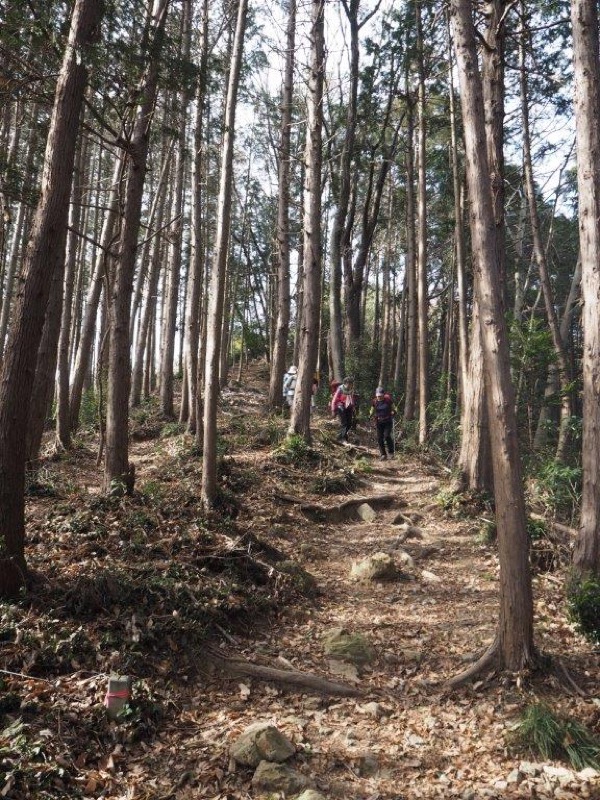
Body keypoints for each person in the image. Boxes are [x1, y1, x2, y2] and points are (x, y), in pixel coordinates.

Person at [369, 385, 395, 460]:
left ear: (383, 395)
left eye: (380, 396)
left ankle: (391, 452)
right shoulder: (375, 401)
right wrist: (370, 414)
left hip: (388, 421)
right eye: (377, 396)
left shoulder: (388, 401)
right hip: (379, 421)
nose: (379, 397)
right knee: (379, 438)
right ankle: (383, 454)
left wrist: (394, 412)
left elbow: (394, 408)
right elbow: (372, 409)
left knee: (387, 436)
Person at [331, 376, 358, 441]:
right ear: (346, 383)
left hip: (348, 406)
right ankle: (342, 439)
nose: (351, 385)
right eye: (350, 383)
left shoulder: (351, 389)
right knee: (344, 422)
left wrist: (353, 407)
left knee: (349, 423)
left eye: (352, 384)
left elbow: (351, 398)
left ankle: (341, 437)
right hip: (341, 406)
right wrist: (333, 410)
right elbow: (334, 399)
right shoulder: (340, 389)